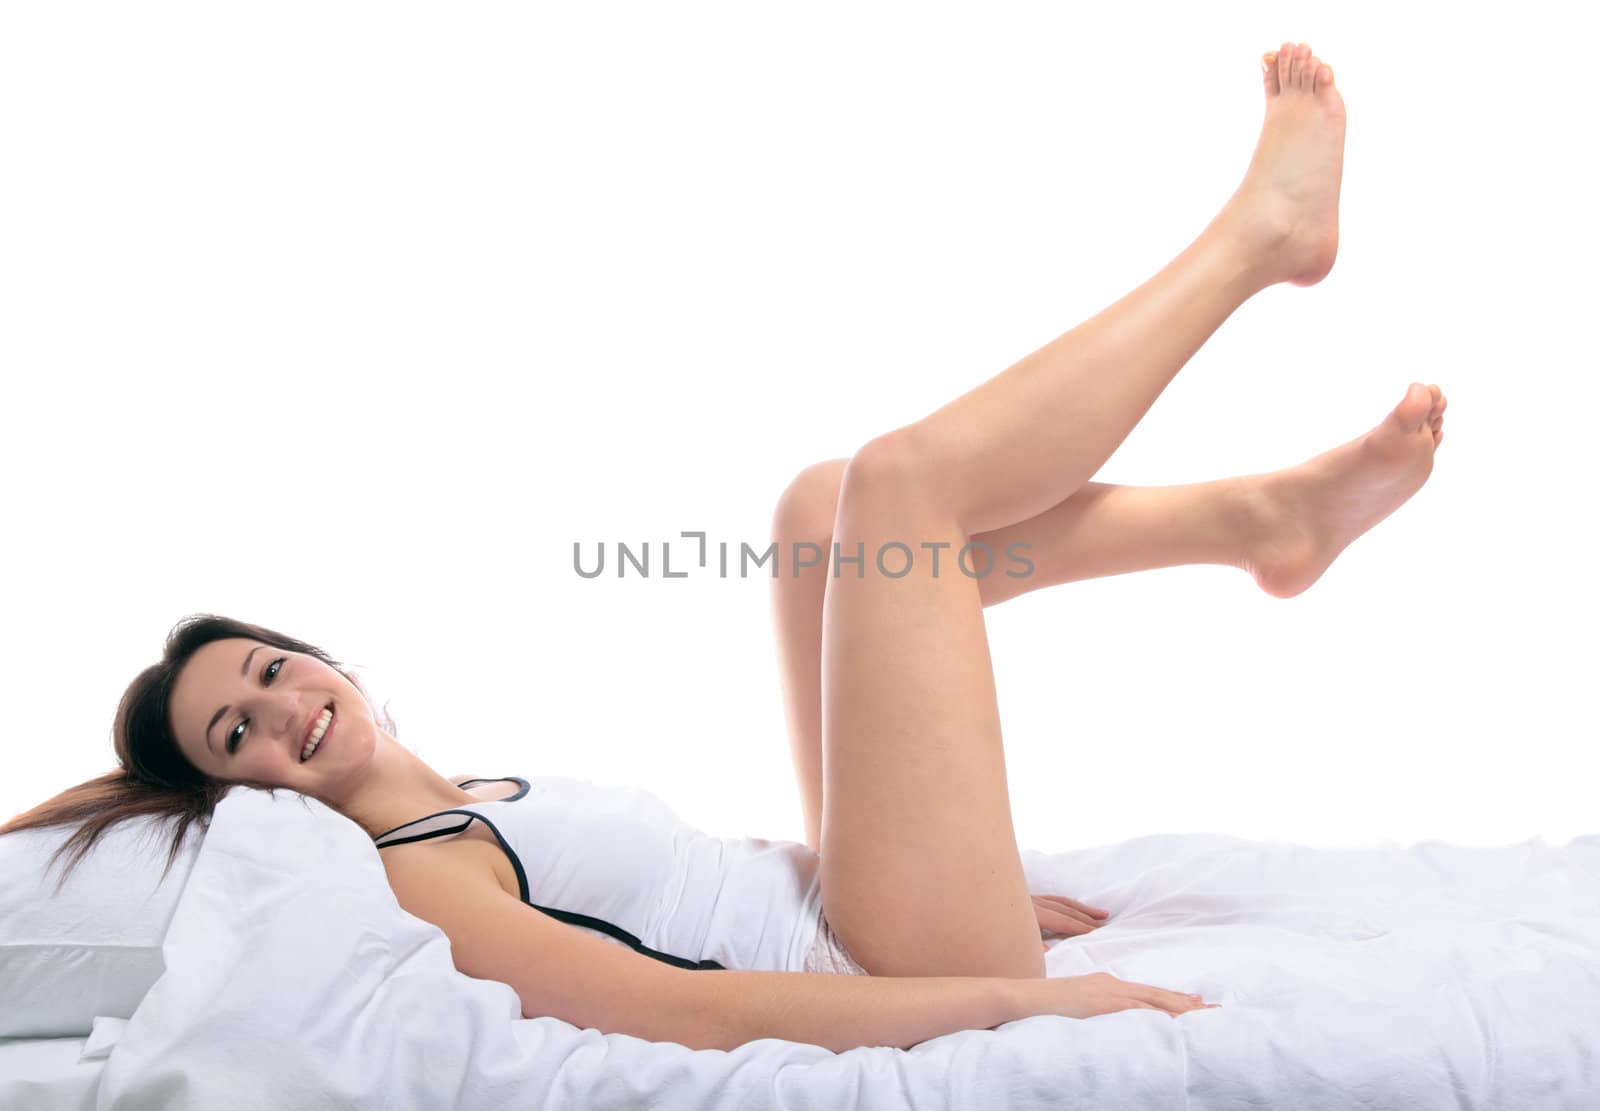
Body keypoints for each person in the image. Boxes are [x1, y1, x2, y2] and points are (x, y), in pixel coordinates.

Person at [3, 42, 1447, 1054]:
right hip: (887, 964)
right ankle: (1256, 246)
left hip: (870, 904)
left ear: (313, 650)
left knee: (821, 508)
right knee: (904, 490)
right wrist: (1004, 990)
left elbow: (691, 896)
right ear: (243, 794)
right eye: (236, 734)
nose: (279, 712)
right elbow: (689, 1009)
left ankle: (1261, 524)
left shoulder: (484, 783)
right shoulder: (415, 869)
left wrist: (943, 863)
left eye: (264, 670)